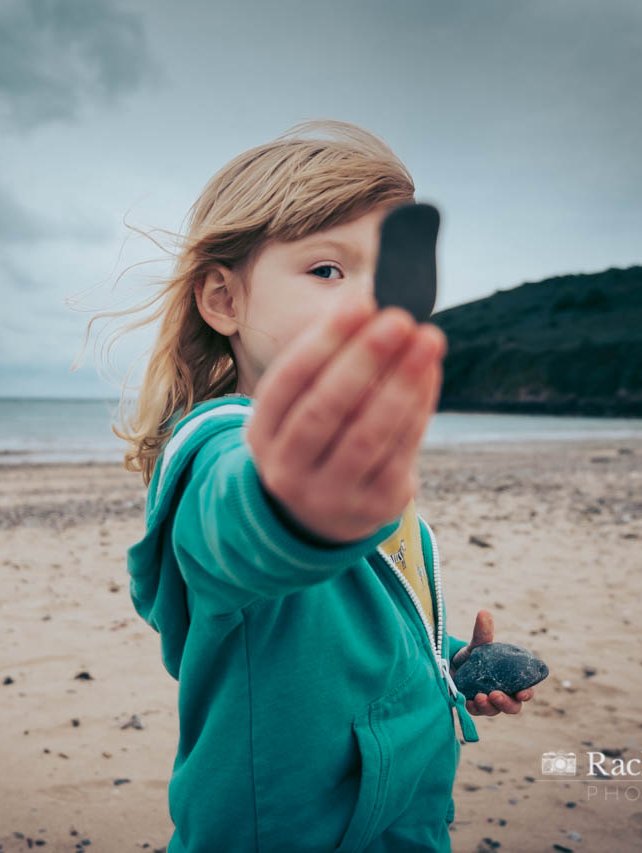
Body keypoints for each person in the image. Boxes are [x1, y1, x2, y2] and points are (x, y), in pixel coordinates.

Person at [116, 120, 534, 852]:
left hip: (407, 821)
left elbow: (354, 623)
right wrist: (298, 509)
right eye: (327, 270)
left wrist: (448, 663)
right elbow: (241, 531)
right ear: (224, 301)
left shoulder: (367, 477)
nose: (366, 302)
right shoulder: (220, 452)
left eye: (386, 274)